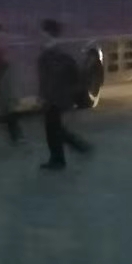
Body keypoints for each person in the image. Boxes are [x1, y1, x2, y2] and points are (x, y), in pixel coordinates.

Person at [38, 19, 92, 171]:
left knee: (52, 128)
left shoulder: (55, 52)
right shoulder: (51, 51)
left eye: (44, 31)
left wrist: (46, 95)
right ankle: (74, 148)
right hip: (54, 95)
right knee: (54, 128)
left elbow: (57, 75)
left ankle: (58, 159)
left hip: (56, 96)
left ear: (49, 32)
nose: (41, 34)